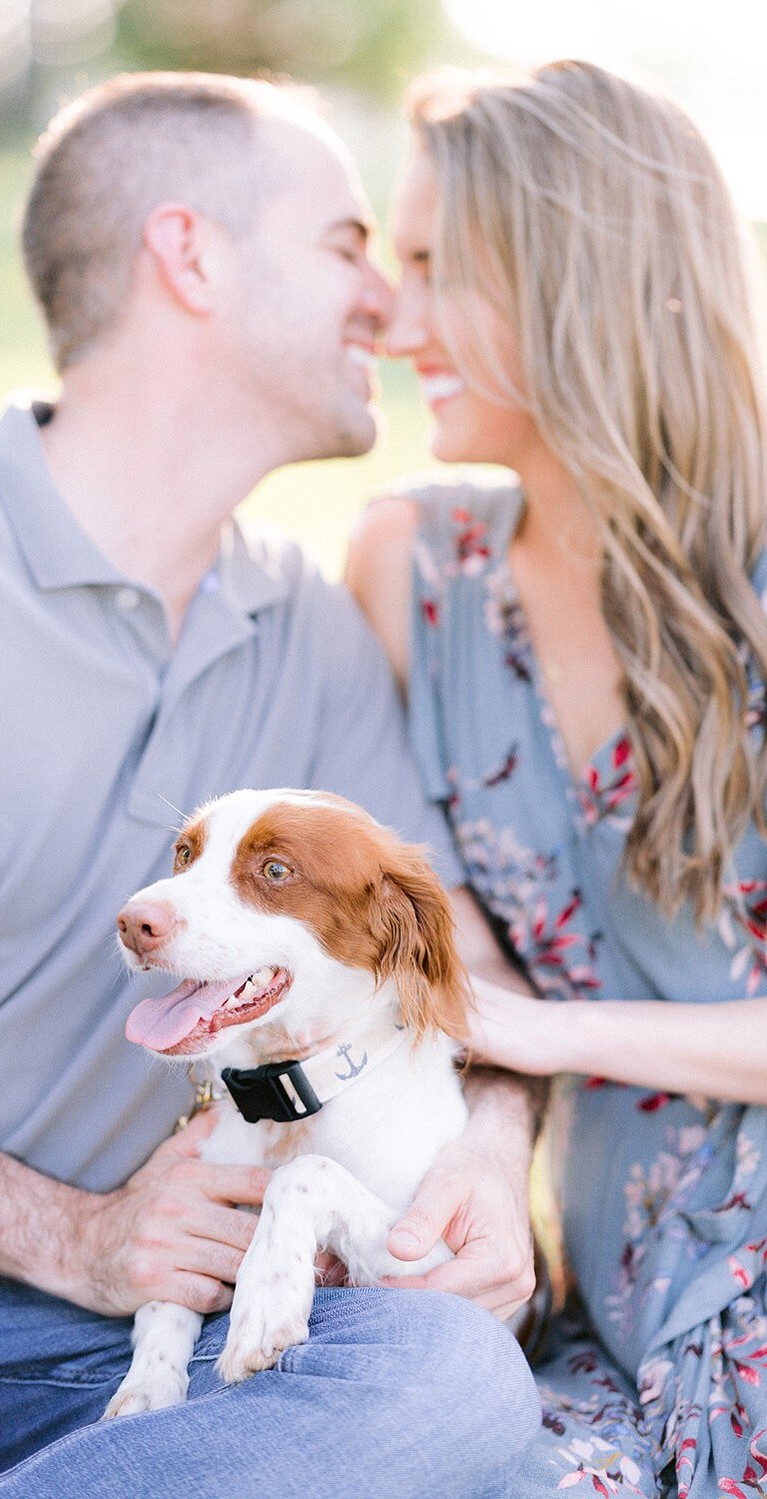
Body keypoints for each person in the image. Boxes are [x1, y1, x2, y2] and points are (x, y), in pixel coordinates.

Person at [0, 73, 540, 1498]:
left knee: (454, 1385)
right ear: (189, 254)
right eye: (344, 244)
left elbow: (453, 970)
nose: (389, 301)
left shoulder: (311, 633)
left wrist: (487, 1157)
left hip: (115, 1364)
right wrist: (64, 1233)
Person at [347, 58, 767, 1498]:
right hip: (592, 1307)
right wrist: (488, 1128)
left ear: (570, 276)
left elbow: (508, 1011)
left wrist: (540, 1033)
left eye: (432, 267)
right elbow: (450, 965)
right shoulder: (416, 570)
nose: (389, 320)